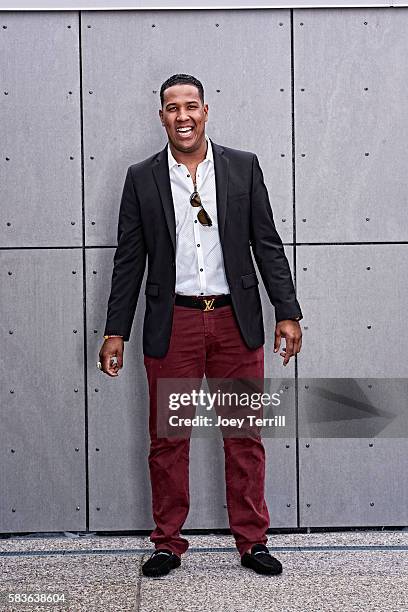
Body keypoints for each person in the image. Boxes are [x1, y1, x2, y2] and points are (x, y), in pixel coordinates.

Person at [99, 73, 303, 578]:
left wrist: (288, 311)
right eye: (172, 107)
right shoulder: (142, 177)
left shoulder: (242, 167)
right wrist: (115, 330)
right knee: (169, 440)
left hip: (236, 323)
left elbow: (268, 245)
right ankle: (167, 542)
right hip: (176, 325)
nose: (182, 115)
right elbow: (129, 261)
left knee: (244, 435)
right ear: (161, 116)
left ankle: (252, 540)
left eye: (191, 105)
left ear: (206, 111)